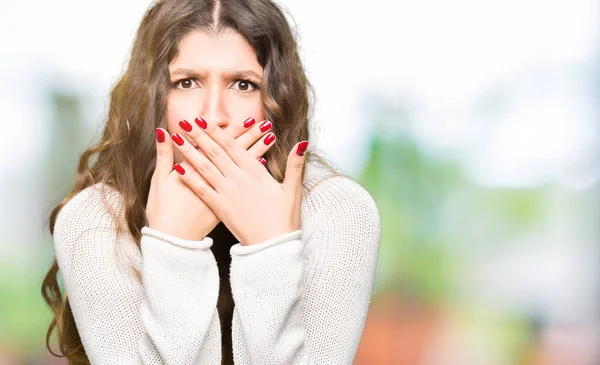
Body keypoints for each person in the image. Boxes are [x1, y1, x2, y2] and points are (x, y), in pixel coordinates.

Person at [41, 0, 381, 364]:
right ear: (152, 98)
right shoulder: (96, 219)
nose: (213, 116)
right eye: (186, 82)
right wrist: (174, 247)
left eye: (243, 84)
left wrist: (271, 246)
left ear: (275, 101)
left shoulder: (338, 212)